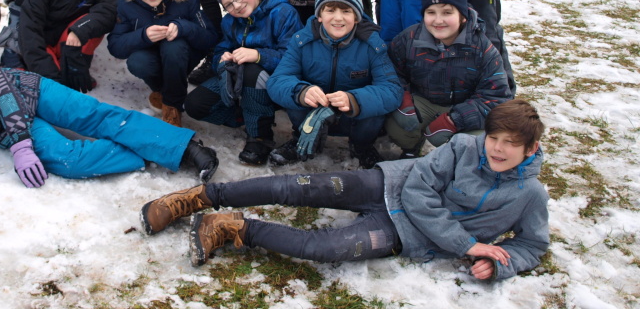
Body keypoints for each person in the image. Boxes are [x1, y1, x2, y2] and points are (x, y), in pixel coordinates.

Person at [140, 98, 548, 282]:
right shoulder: (463, 148)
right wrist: (467, 244)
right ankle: (202, 197)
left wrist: (500, 263)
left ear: (530, 149)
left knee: (324, 248)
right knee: (298, 187)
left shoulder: (530, 196)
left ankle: (229, 227)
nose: (497, 149)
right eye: (494, 138)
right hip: (389, 185)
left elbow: (532, 245)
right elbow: (419, 190)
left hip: (406, 235)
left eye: (511, 144)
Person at [0, 17, 220, 206]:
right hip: (8, 132)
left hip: (30, 92)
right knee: (69, 160)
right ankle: (148, 149)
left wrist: (21, 145)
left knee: (96, 116)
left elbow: (2, 89)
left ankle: (187, 149)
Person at [266, 0, 402, 167]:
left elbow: (392, 90)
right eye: (330, 10)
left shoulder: (373, 44)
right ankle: (301, 138)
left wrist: (354, 99)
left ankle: (362, 147)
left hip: (352, 117)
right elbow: (277, 81)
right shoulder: (301, 41)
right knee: (293, 95)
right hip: (313, 113)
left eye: (346, 11)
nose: (338, 18)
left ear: (356, 17)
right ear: (320, 15)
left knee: (375, 104)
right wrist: (302, 92)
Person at [385, 0, 513, 159]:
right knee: (398, 126)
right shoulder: (408, 39)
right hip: (425, 101)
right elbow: (391, 72)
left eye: (447, 12)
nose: (438, 20)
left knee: (475, 143)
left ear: (463, 15)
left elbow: (497, 97)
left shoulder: (483, 48)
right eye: (431, 12)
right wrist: (403, 99)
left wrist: (456, 119)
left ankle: (461, 161)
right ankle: (411, 148)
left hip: (465, 105)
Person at [184, 0, 302, 165]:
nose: (236, 5)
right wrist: (222, 58)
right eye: (228, 5)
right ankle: (247, 116)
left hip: (276, 83)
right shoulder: (229, 22)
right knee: (195, 105)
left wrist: (258, 55)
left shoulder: (283, 13)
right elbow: (221, 49)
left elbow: (294, 57)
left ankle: (260, 137)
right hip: (240, 80)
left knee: (251, 70)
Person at [108, 0, 219, 126]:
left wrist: (183, 27)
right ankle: (163, 90)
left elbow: (209, 38)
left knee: (174, 46)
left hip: (182, 55)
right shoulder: (126, 4)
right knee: (137, 61)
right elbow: (115, 46)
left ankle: (172, 106)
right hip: (151, 57)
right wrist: (143, 35)